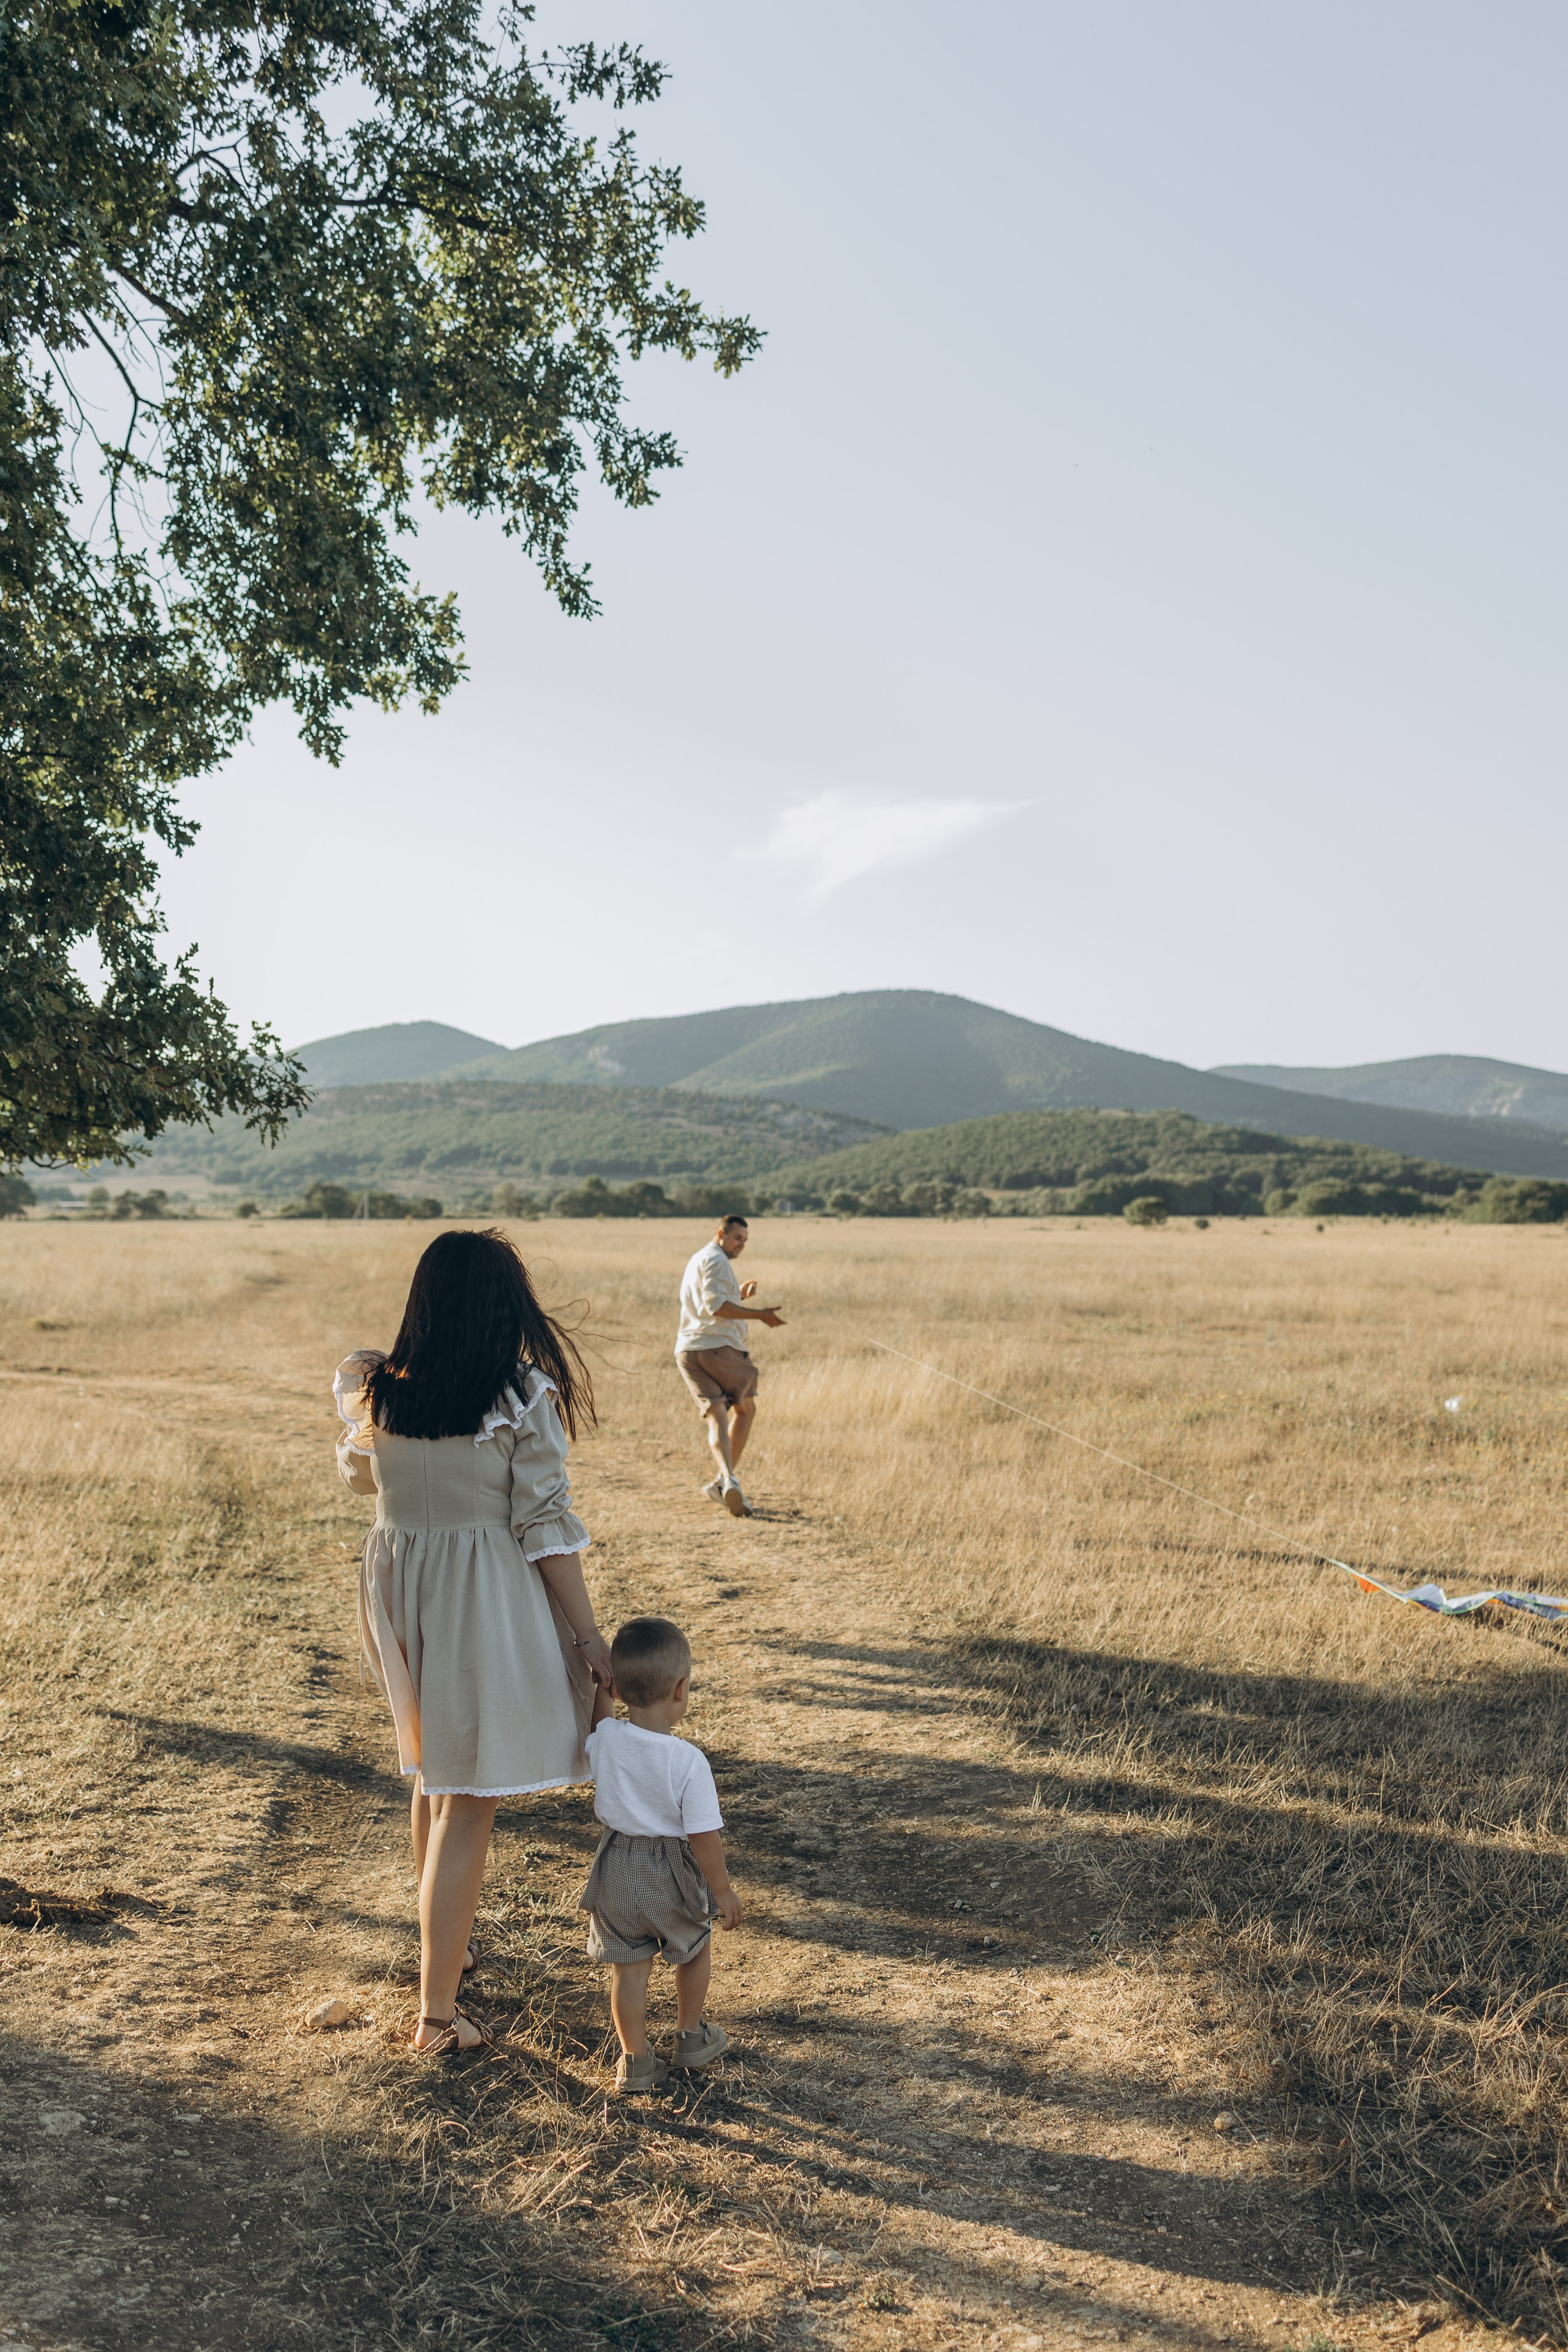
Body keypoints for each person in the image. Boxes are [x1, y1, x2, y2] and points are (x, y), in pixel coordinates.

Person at [334, 1228, 612, 2056]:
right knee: (467, 1800)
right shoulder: (518, 1394)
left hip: (398, 1582)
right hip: (478, 1591)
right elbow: (543, 1526)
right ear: (502, 1306)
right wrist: (588, 1635)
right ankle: (436, 2018)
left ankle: (442, 1954)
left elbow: (360, 1477)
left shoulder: (378, 1386)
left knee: (435, 1777)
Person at [579, 1615, 741, 2095]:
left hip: (617, 1870)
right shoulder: (687, 1761)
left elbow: (599, 1726)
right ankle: (690, 2037)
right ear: (681, 1690)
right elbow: (703, 1836)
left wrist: (601, 1690)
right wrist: (723, 1890)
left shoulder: (606, 1739)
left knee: (628, 1969)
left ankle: (635, 2060)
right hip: (671, 1872)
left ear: (621, 1687)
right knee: (693, 1946)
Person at [675, 1214, 785, 1517]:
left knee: (717, 1416)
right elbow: (717, 1308)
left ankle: (725, 1480)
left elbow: (706, 1300)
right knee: (746, 1410)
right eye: (737, 1238)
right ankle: (725, 1481)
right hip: (718, 1347)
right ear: (721, 1233)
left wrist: (739, 1294)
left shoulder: (699, 1258)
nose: (741, 1246)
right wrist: (760, 1314)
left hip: (687, 1351)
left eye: (745, 1241)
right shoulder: (716, 1260)